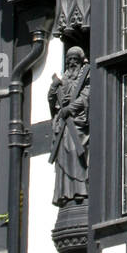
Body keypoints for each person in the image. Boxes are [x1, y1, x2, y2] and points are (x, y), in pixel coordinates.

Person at [48, 46, 90, 206]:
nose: (72, 63)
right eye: (69, 60)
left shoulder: (85, 75)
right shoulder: (64, 79)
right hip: (63, 124)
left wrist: (69, 109)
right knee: (62, 155)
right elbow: (52, 101)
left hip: (77, 122)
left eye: (75, 60)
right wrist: (53, 88)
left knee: (75, 150)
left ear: (80, 61)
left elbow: (86, 96)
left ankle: (80, 190)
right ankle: (64, 193)